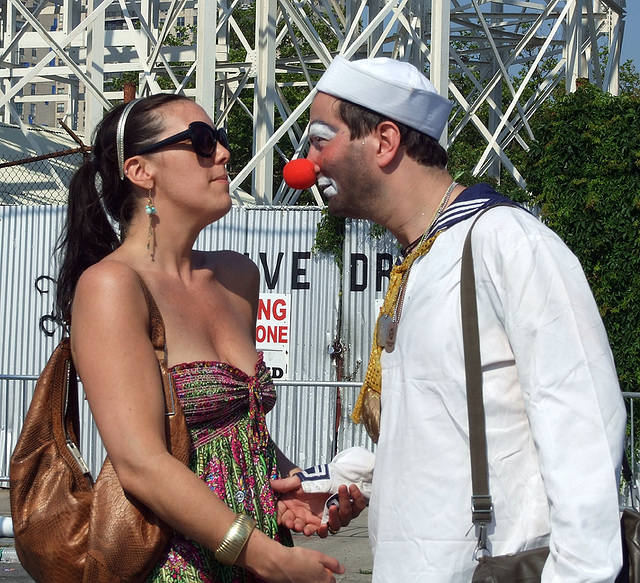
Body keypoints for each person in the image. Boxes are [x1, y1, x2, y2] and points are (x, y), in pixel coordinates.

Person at [274, 56, 627, 582]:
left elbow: (586, 432)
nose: (303, 167)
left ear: (386, 141)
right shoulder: (417, 263)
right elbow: (445, 435)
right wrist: (346, 479)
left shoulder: (506, 242)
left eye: (321, 140)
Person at [54, 93, 365, 583]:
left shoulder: (236, 277)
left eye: (219, 139)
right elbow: (141, 463)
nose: (223, 152)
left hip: (265, 551)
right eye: (201, 142)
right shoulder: (112, 287)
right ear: (140, 171)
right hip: (180, 561)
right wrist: (265, 555)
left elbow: (240, 432)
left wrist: (295, 486)